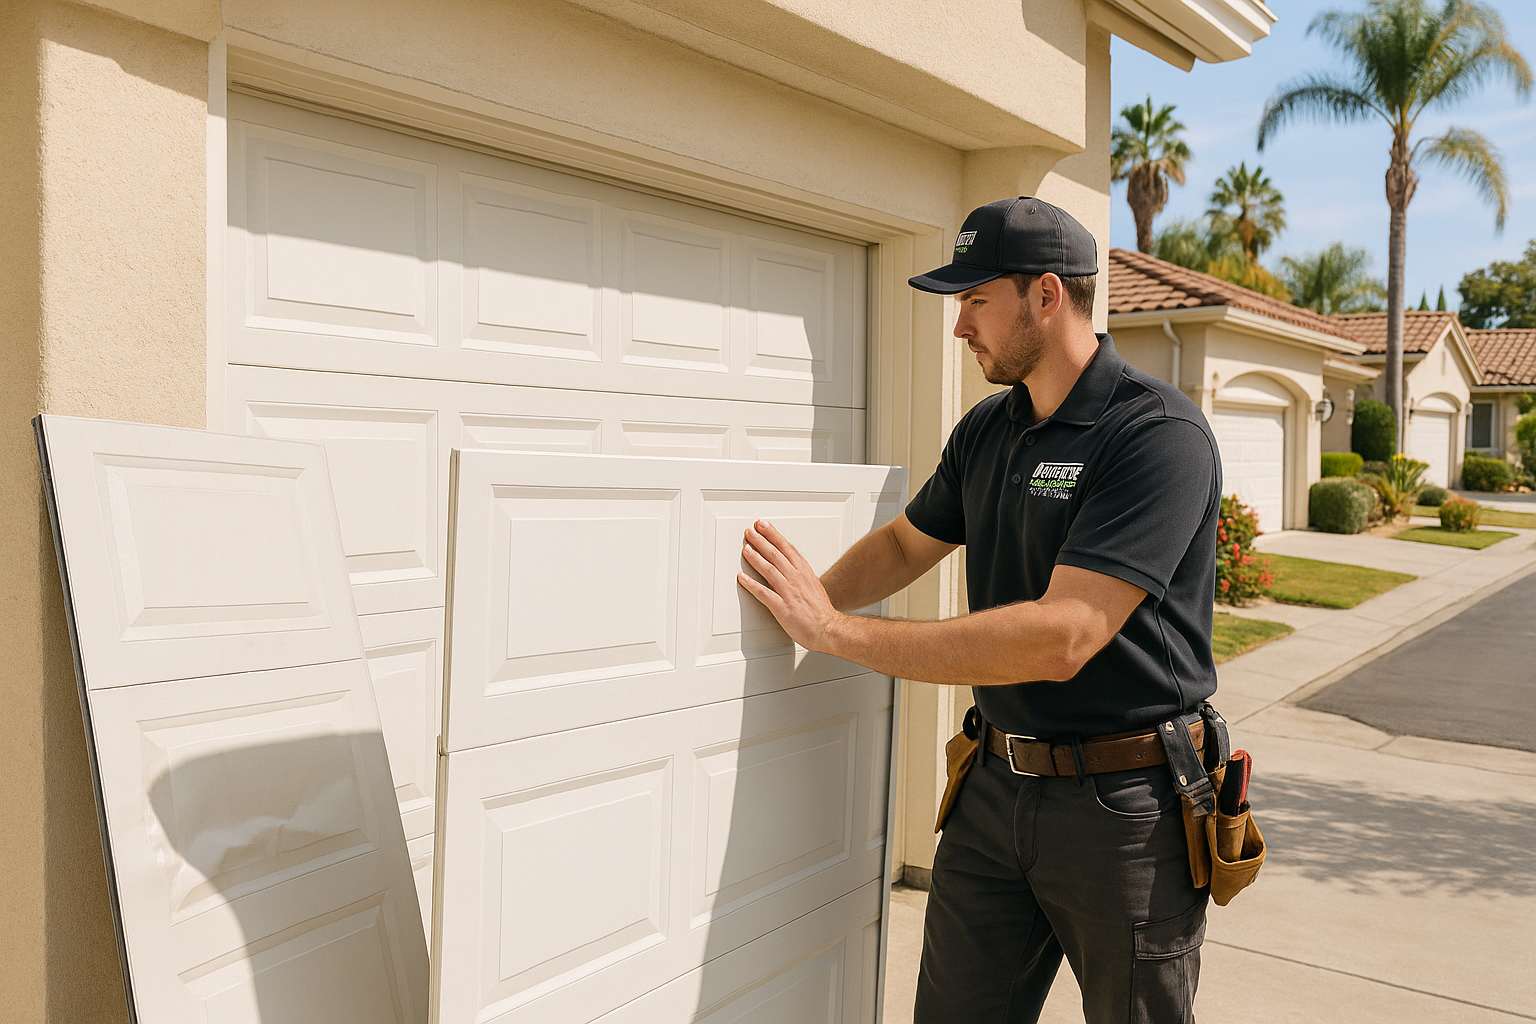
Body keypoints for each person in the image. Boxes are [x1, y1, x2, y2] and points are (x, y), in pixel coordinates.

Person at [737, 196, 1222, 1023]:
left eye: (975, 299)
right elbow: (904, 544)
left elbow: (1065, 636)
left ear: (1046, 295)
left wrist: (836, 633)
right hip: (994, 789)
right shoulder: (987, 431)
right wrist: (802, 601)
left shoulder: (1156, 435)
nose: (960, 326)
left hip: (1126, 809)